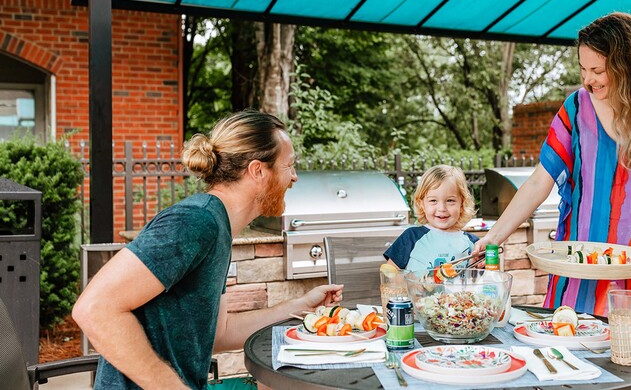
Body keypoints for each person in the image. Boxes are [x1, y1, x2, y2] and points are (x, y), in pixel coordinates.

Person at [474, 12, 631, 341]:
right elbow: (538, 182)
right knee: (572, 356)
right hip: (580, 270)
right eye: (583, 69)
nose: (588, 80)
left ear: (627, 66)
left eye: (598, 70)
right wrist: (493, 237)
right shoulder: (575, 109)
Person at [73, 110, 344, 389]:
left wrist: (298, 307)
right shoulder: (195, 221)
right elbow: (94, 309)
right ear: (258, 170)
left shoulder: (219, 226)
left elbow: (220, 334)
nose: (295, 177)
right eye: (289, 166)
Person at [384, 165, 479, 271]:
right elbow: (389, 273)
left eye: (450, 201)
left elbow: (483, 277)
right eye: (433, 201)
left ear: (462, 205)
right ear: (422, 205)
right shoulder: (411, 237)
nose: (442, 208)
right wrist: (409, 282)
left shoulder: (473, 243)